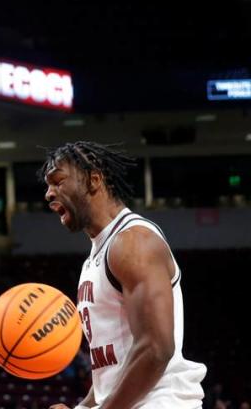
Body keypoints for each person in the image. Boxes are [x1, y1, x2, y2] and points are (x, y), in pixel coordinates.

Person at [41, 142, 206, 409]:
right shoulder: (94, 259)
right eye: (47, 186)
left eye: (58, 181)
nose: (49, 194)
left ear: (93, 179)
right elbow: (113, 367)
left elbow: (156, 349)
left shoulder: (133, 242)